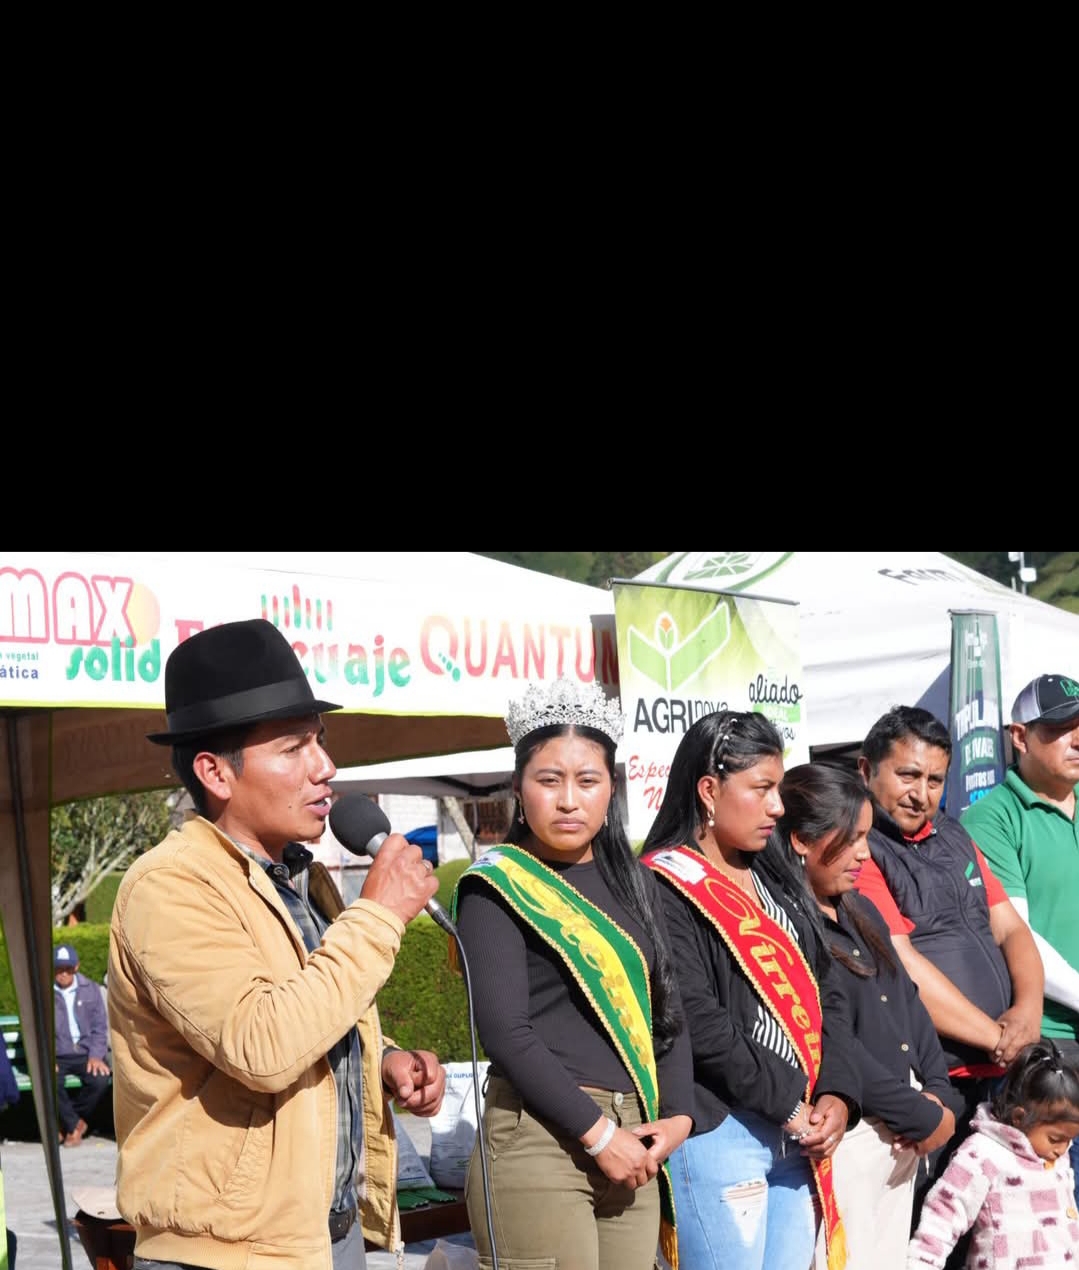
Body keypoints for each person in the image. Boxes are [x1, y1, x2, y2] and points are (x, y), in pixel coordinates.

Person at [108, 618, 447, 1270]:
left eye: (320, 741)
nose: (325, 768)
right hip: (222, 1253)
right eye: (293, 749)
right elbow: (261, 1045)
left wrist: (380, 1061)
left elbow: (308, 1014)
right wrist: (377, 916)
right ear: (215, 772)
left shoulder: (298, 877)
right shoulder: (168, 885)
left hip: (323, 1232)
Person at [450, 675, 694, 1270]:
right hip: (539, 1139)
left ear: (611, 788)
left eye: (587, 781)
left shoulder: (636, 883)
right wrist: (599, 1134)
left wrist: (678, 1117)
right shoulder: (495, 886)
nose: (568, 800)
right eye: (548, 780)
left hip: (635, 1140)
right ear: (518, 789)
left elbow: (666, 1007)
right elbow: (505, 1031)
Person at [640, 710, 863, 1270]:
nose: (778, 807)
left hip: (801, 1134)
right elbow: (695, 1015)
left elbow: (827, 991)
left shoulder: (774, 876)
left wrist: (838, 1094)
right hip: (722, 1129)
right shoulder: (664, 883)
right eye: (761, 789)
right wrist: (789, 1103)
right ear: (709, 791)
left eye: (778, 789)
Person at [853, 706, 1045, 1241]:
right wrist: (997, 1038)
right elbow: (900, 962)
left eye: (935, 780)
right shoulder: (861, 850)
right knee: (931, 1239)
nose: (922, 794)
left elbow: (1011, 929)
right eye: (908, 775)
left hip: (1000, 1078)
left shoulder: (956, 835)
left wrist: (1028, 1013)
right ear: (866, 770)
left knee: (1001, 1236)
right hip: (936, 1084)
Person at [775, 763, 959, 1270]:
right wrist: (920, 1114)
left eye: (866, 836)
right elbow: (832, 1042)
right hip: (852, 1139)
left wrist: (940, 1096)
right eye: (852, 838)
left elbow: (909, 1004)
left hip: (903, 1140)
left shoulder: (861, 910)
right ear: (801, 840)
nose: (865, 853)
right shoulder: (787, 927)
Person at [960, 672, 1079, 1205]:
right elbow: (1017, 935)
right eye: (1060, 728)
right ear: (1019, 736)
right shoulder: (991, 818)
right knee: (1055, 1210)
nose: (1076, 739)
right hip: (1051, 1046)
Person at [907, 1039, 1079, 1268]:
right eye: (1055, 1139)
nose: (1062, 1149)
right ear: (1019, 1117)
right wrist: (922, 1263)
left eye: (1070, 1140)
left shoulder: (1054, 1158)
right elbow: (943, 1214)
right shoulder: (983, 1154)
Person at [52, 942, 111, 1146]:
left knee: (100, 1079)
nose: (63, 974)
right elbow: (40, 1029)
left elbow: (100, 1027)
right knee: (49, 1081)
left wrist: (96, 1056)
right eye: (58, 969)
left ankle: (68, 1124)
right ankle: (75, 1126)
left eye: (68, 969)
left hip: (85, 1053)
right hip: (58, 1054)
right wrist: (47, 1058)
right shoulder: (44, 993)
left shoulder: (90, 989)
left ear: (76, 967)